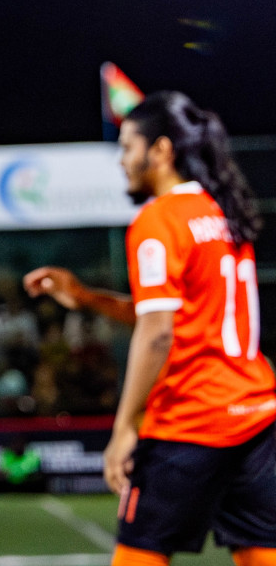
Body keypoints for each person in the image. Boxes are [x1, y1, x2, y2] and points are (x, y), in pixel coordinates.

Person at [25, 92, 276, 566]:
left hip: (191, 421)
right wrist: (85, 297)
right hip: (256, 415)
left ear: (160, 151)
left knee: (139, 556)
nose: (121, 161)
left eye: (126, 147)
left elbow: (158, 332)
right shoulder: (222, 212)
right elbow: (173, 314)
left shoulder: (158, 220)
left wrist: (124, 427)